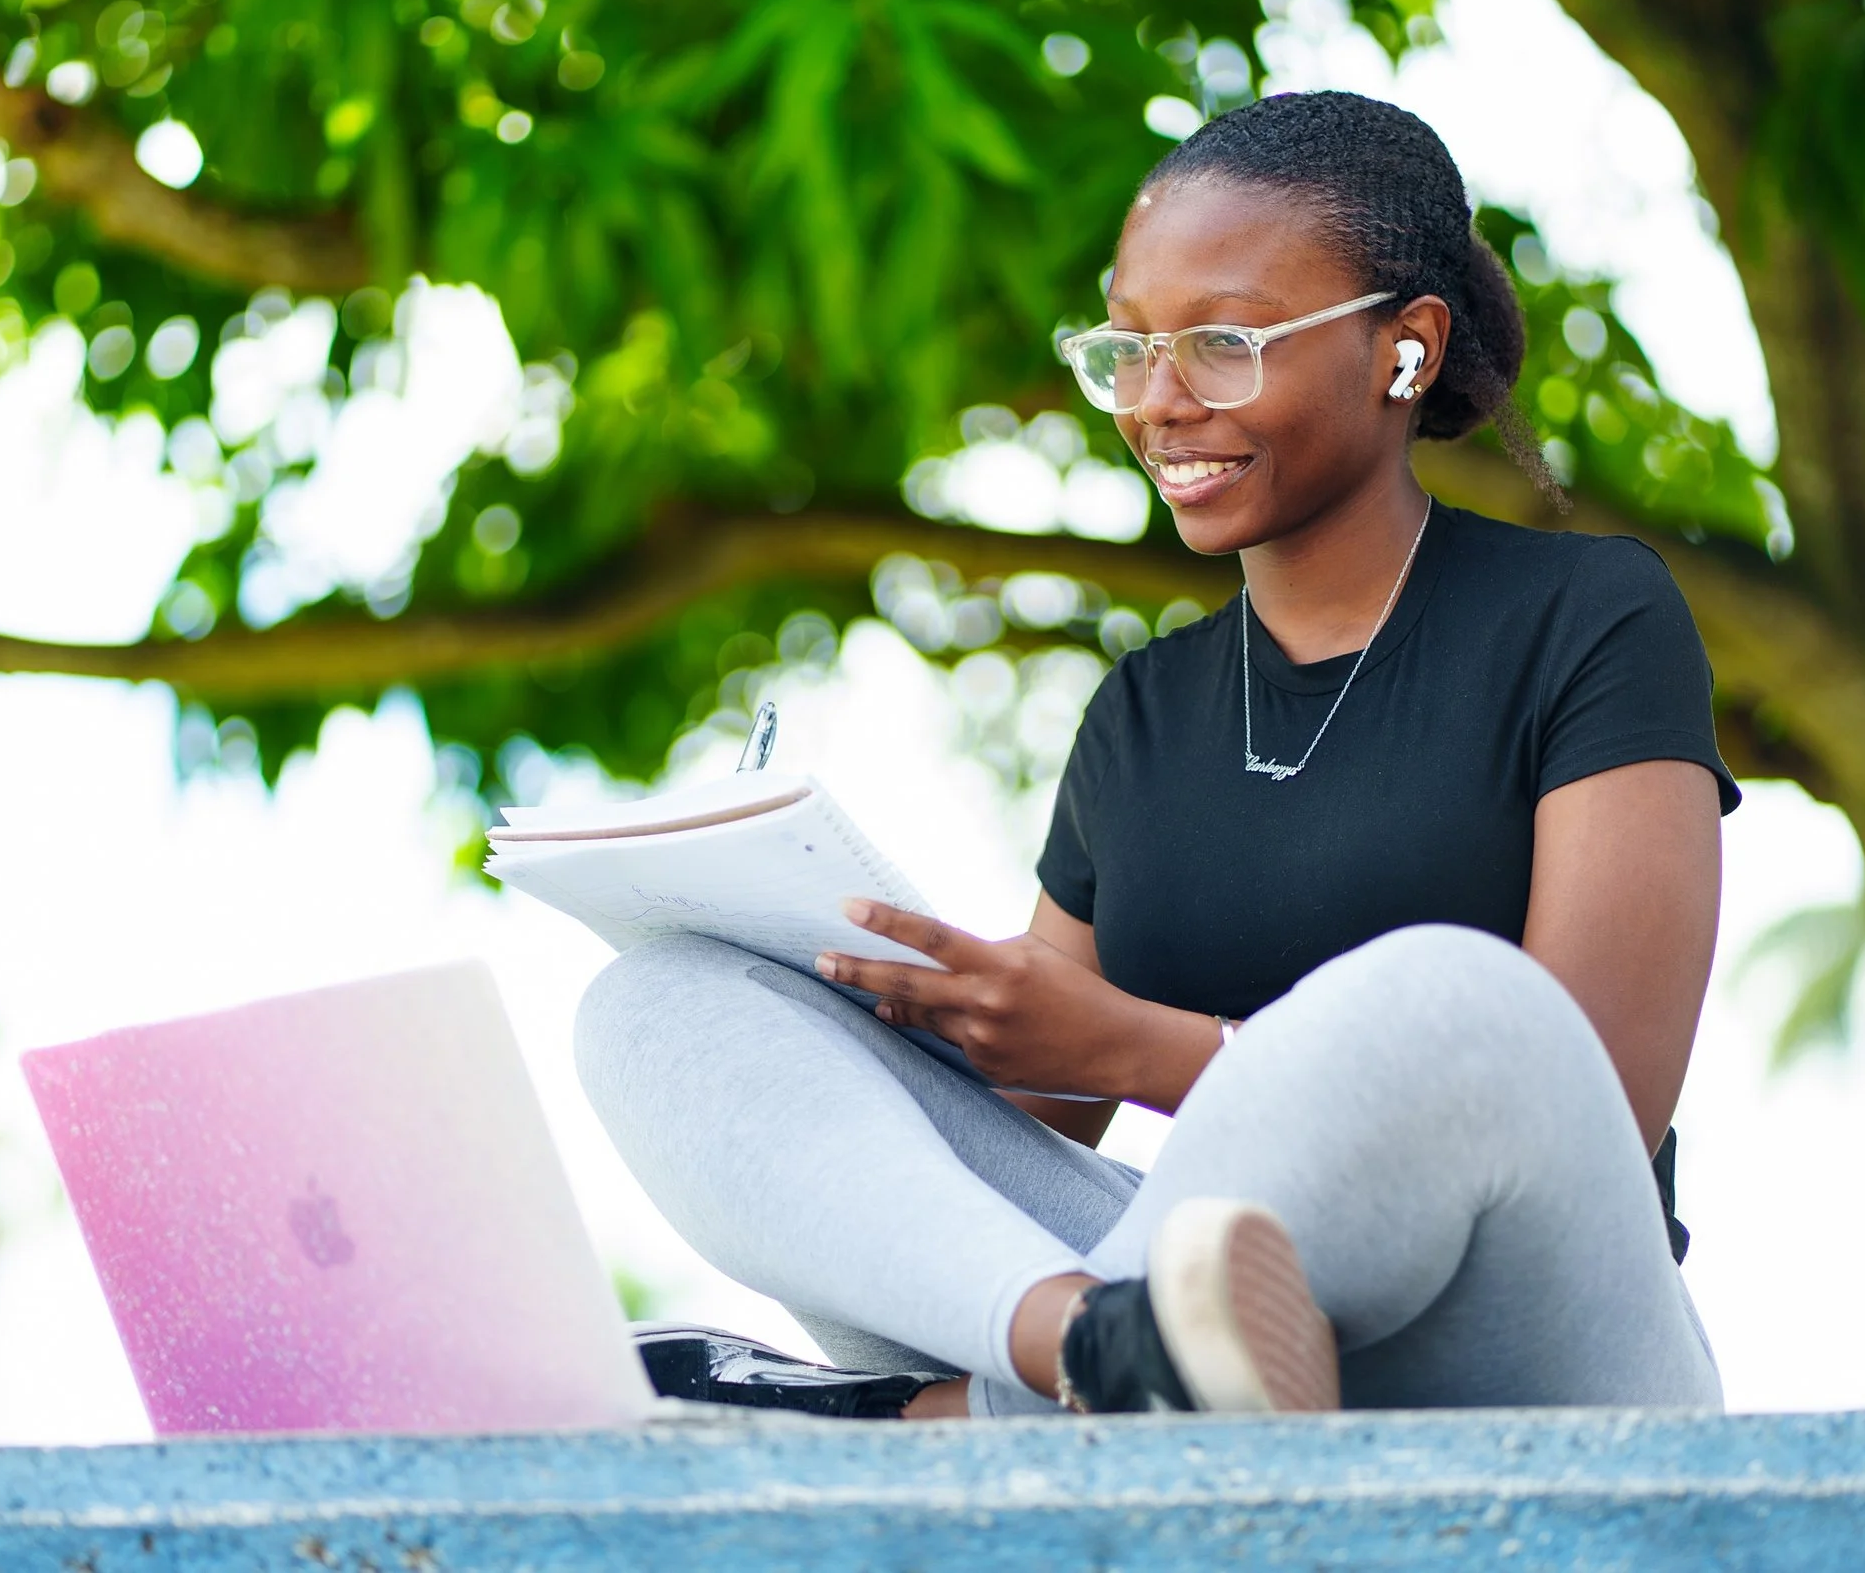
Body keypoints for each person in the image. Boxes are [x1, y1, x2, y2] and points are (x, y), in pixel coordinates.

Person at [575, 90, 1732, 1419]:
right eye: (1126, 347)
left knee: (1454, 1010)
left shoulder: (1589, 618)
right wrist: (918, 1001)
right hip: (1204, 1338)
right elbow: (1035, 1127)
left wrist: (1131, 1043)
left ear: (1403, 352)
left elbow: (1593, 1098)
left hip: (1534, 1353)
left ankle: (935, 1421)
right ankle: (1095, 1353)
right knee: (663, 1004)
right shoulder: (1142, 715)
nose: (1157, 402)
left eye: (1223, 342)